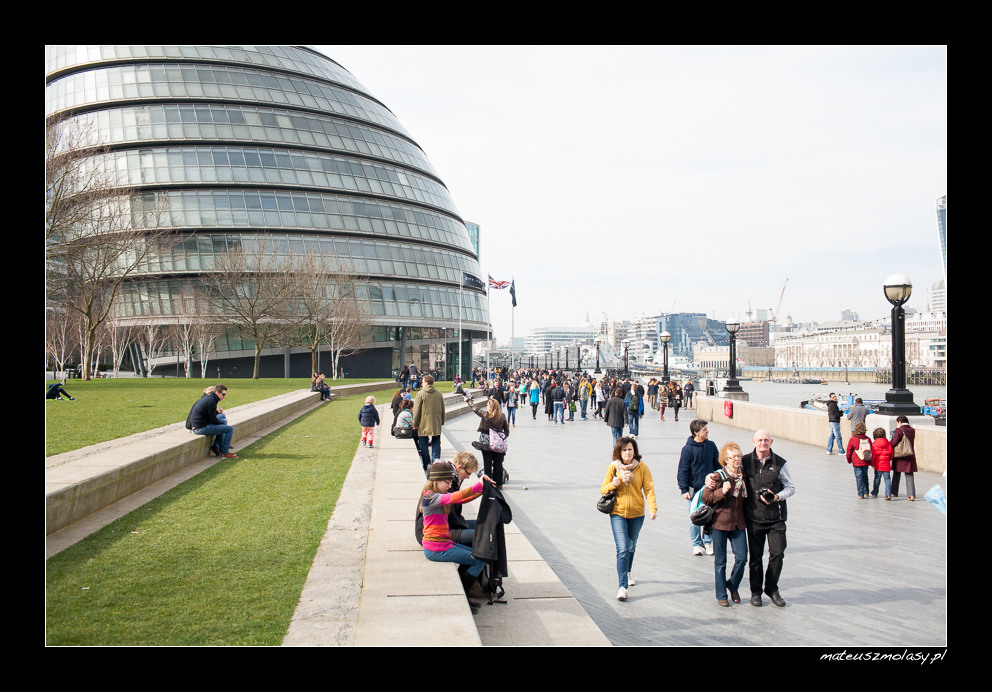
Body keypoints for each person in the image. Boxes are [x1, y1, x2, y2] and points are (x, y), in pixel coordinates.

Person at [739, 429, 795, 607]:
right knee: (755, 557)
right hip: (754, 517)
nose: (763, 443)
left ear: (771, 442)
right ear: (754, 442)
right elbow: (731, 474)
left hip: (776, 518)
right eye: (760, 440)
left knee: (777, 554)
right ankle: (755, 592)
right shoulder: (745, 461)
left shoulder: (780, 463)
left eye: (766, 440)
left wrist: (777, 496)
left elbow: (790, 487)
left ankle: (772, 588)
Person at [419, 462, 492, 591]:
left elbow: (460, 500)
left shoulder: (436, 496)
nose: (450, 486)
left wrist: (482, 491)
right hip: (436, 549)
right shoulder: (430, 497)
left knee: (479, 554)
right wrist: (478, 485)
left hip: (443, 544)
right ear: (437, 480)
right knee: (480, 559)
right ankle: (464, 591)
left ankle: (465, 587)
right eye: (447, 483)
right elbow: (455, 496)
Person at [600, 436, 657, 601]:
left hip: (637, 513)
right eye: (624, 450)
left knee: (631, 545)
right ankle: (622, 586)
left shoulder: (642, 467)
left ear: (635, 451)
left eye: (630, 449)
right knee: (623, 547)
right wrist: (614, 484)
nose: (627, 453)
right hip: (617, 512)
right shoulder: (613, 468)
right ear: (619, 452)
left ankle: (627, 570)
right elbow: (603, 489)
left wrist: (653, 508)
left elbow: (649, 489)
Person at [702, 442, 749, 607]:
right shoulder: (718, 476)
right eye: (733, 457)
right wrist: (722, 491)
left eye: (738, 456)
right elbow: (706, 498)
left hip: (739, 524)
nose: (737, 459)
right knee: (720, 562)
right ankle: (721, 594)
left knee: (742, 558)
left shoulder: (744, 475)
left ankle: (732, 584)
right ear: (726, 460)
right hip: (720, 524)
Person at [415, 452, 480, 548]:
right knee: (481, 535)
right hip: (430, 533)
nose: (468, 477)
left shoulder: (448, 480)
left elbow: (460, 500)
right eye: (468, 473)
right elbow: (452, 515)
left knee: (481, 526)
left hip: (444, 525)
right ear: (459, 468)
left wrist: (480, 491)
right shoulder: (447, 483)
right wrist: (466, 528)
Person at [677, 419, 720, 555]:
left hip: (710, 489)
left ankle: (708, 542)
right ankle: (696, 544)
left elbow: (718, 466)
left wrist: (717, 479)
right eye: (704, 430)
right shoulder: (687, 449)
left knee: (710, 516)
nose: (707, 431)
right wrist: (684, 489)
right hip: (694, 490)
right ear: (696, 432)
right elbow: (682, 470)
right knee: (694, 517)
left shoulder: (711, 446)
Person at [466, 396, 510, 488]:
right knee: (498, 464)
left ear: (490, 407)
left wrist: (468, 400)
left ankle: (489, 484)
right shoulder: (502, 416)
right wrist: (500, 436)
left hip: (486, 442)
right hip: (497, 443)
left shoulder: (486, 415)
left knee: (487, 463)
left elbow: (475, 409)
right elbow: (507, 431)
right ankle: (499, 484)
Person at [189, 383, 237, 458]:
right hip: (200, 428)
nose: (224, 397)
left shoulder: (210, 398)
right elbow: (213, 420)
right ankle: (224, 452)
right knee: (229, 429)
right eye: (223, 395)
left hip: (201, 424)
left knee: (223, 421)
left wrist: (219, 416)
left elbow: (211, 415)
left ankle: (217, 447)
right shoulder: (211, 401)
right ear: (217, 393)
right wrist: (223, 425)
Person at [412, 375, 445, 473]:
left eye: (422, 381)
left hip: (423, 422)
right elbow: (443, 408)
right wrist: (442, 421)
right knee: (436, 442)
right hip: (436, 421)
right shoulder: (439, 393)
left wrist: (415, 423)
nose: (421, 383)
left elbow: (417, 410)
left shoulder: (420, 394)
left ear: (426, 383)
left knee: (423, 443)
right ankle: (436, 463)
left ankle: (426, 463)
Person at [890, 416, 918, 500]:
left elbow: (894, 442)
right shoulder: (912, 430)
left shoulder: (899, 430)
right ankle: (911, 494)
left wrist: (889, 444)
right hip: (909, 454)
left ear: (899, 422)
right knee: (909, 475)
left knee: (896, 473)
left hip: (900, 455)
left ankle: (894, 492)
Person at [845, 421, 872, 498]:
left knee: (858, 477)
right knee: (865, 476)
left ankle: (860, 494)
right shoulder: (868, 439)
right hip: (866, 461)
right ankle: (866, 492)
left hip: (857, 461)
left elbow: (849, 450)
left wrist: (849, 460)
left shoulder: (853, 439)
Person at [870, 426, 893, 500]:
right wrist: (889, 459)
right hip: (886, 465)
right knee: (887, 480)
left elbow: (873, 456)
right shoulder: (888, 444)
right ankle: (888, 494)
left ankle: (875, 492)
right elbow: (891, 454)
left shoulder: (874, 444)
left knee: (877, 479)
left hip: (878, 465)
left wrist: (872, 464)